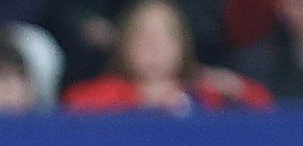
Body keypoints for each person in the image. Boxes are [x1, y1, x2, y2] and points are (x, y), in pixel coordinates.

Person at [62, 0, 273, 107]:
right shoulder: (100, 94)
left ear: (182, 45)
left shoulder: (205, 90)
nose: (154, 46)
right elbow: (75, 110)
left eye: (165, 36)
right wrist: (144, 97)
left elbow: (263, 107)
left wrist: (235, 87)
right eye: (143, 36)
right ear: (125, 46)